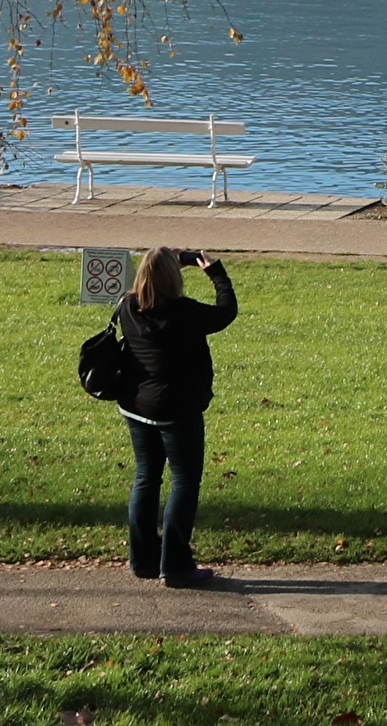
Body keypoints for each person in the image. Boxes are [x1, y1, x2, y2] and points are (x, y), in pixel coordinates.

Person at [114, 244, 238, 586]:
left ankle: (143, 560)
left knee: (146, 477)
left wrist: (169, 262)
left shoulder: (128, 306)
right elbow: (226, 312)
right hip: (177, 410)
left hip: (136, 406)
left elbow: (153, 285)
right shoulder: (185, 312)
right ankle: (176, 564)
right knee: (183, 482)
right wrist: (215, 273)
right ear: (173, 279)